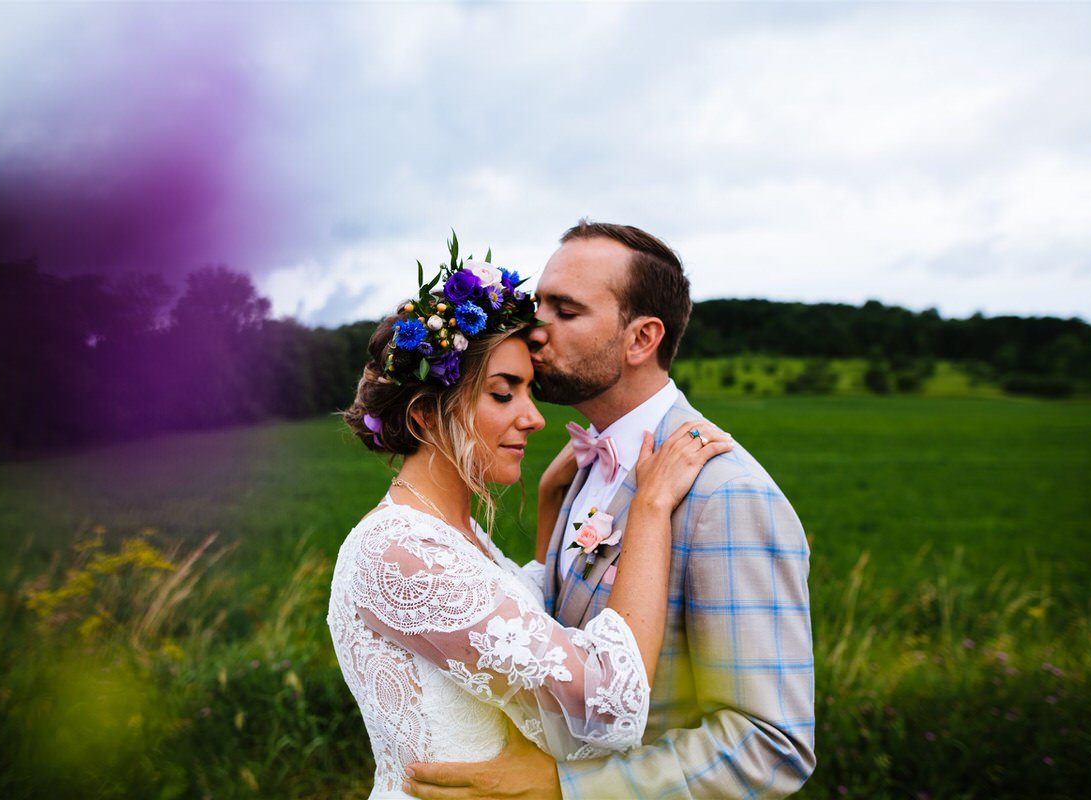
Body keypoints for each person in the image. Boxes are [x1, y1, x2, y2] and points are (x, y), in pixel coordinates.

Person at [404, 222, 816, 799]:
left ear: (642, 338)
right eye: (536, 304)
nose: (532, 329)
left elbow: (768, 743)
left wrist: (563, 786)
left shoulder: (725, 495)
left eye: (565, 311)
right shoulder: (585, 462)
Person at [327, 237, 734, 800]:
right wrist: (649, 509)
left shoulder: (452, 535)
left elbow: (524, 616)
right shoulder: (400, 554)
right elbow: (604, 701)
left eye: (528, 390)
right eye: (503, 393)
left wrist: (550, 502)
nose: (534, 417)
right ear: (424, 416)